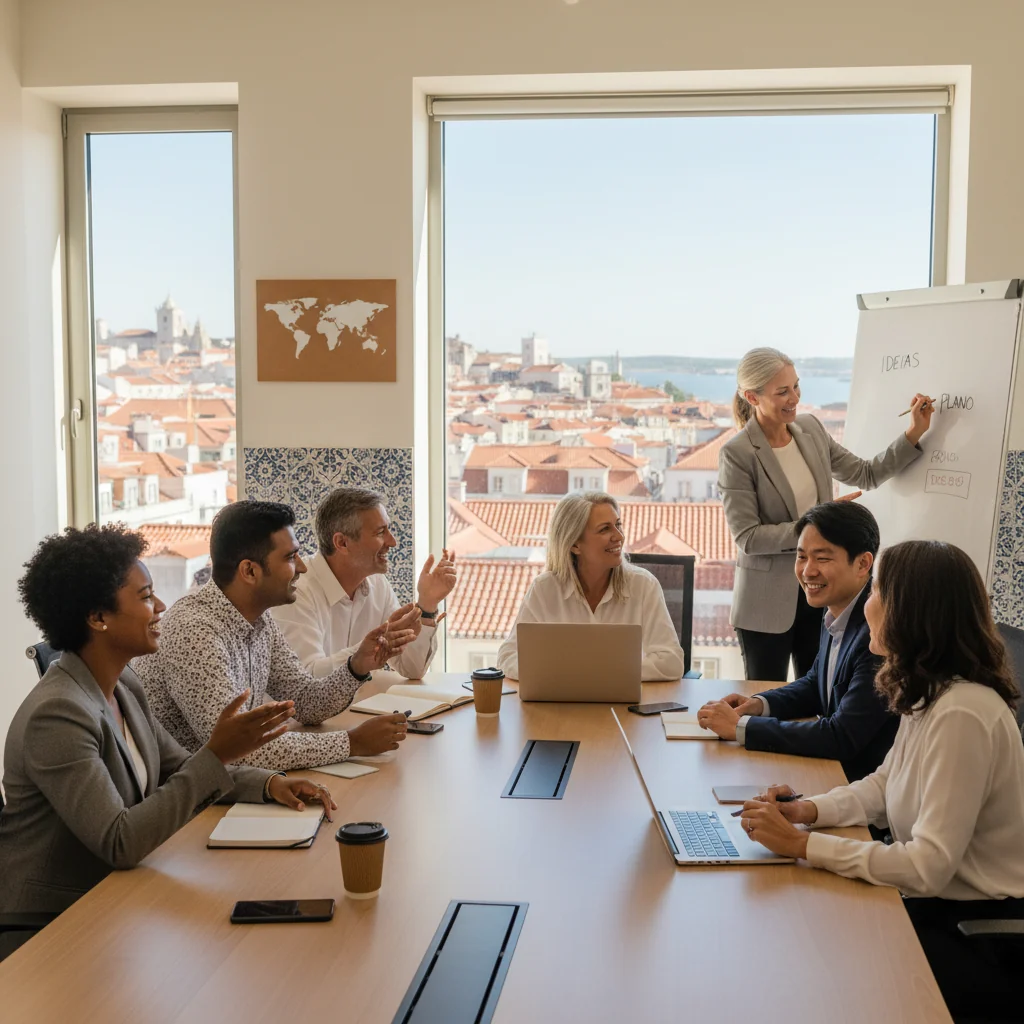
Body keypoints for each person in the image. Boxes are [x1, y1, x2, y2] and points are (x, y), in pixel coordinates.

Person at [0, 524, 338, 958]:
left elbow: (178, 768)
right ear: (97, 617)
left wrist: (269, 784)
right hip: (55, 928)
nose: (161, 606)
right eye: (144, 597)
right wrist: (218, 753)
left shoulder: (123, 685)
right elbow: (119, 841)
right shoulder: (58, 715)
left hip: (117, 898)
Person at [738, 540, 1024, 1019]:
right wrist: (808, 812)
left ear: (910, 611)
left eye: (878, 592)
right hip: (936, 905)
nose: (868, 604)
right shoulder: (932, 691)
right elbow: (884, 784)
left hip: (974, 932)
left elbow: (927, 866)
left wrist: (804, 846)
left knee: (821, 973)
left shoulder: (963, 713)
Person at [135, 501, 414, 770]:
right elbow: (237, 750)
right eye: (290, 557)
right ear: (250, 571)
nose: (302, 568)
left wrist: (357, 667)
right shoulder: (194, 631)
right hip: (185, 804)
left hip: (229, 787)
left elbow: (305, 703)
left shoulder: (259, 619)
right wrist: (351, 743)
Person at [718, 346, 933, 682]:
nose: (795, 398)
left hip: (820, 593)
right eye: (783, 392)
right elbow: (748, 537)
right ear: (752, 396)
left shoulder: (811, 430)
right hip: (765, 605)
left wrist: (914, 433)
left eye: (796, 386)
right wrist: (815, 527)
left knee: (819, 696)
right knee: (766, 700)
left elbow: (865, 473)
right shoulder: (738, 453)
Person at [697, 501, 898, 781]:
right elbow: (816, 684)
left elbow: (841, 736)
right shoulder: (837, 611)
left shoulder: (877, 634)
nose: (808, 571)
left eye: (822, 558)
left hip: (859, 791)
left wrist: (743, 727)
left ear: (863, 563)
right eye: (801, 556)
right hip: (831, 776)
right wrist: (758, 704)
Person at [272, 487, 457, 679]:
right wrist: (367, 651)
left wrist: (427, 604)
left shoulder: (378, 584)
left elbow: (412, 669)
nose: (392, 542)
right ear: (342, 543)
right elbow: (305, 680)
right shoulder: (296, 592)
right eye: (380, 532)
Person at [497, 492, 685, 680]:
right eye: (605, 529)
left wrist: (597, 673)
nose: (619, 536)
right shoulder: (545, 589)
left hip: (623, 705)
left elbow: (671, 662)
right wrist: (569, 673)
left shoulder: (643, 585)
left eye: (618, 525)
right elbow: (508, 658)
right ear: (575, 545)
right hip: (562, 705)